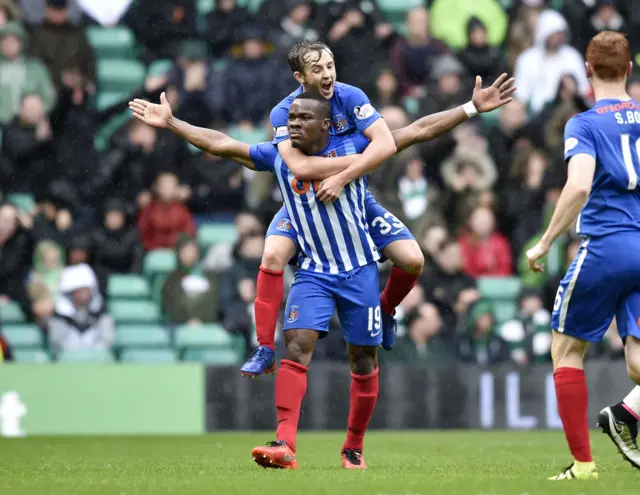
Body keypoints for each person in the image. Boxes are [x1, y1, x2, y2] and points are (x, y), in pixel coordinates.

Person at [129, 78, 514, 470]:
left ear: (327, 125)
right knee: (295, 346)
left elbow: (417, 131)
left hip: (359, 269)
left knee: (363, 361)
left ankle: (353, 449)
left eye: (303, 118)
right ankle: (285, 444)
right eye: (291, 117)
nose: (292, 124)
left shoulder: (354, 150)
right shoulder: (279, 156)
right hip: (313, 270)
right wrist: (174, 123)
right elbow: (222, 144)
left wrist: (470, 108)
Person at [242, 40, 513, 377]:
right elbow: (299, 167)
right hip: (305, 206)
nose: (328, 75)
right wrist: (174, 125)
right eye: (318, 70)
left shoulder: (350, 97)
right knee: (271, 255)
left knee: (413, 259)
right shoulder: (285, 113)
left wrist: (470, 109)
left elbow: (405, 135)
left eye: (330, 66)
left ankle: (385, 310)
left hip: (355, 200)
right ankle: (265, 346)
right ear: (300, 77)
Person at [525, 31, 640, 480]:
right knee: (635, 361)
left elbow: (578, 185)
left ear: (588, 71)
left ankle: (584, 466)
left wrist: (547, 239)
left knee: (567, 351)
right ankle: (628, 413)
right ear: (629, 69)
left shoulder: (585, 123)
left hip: (606, 246)